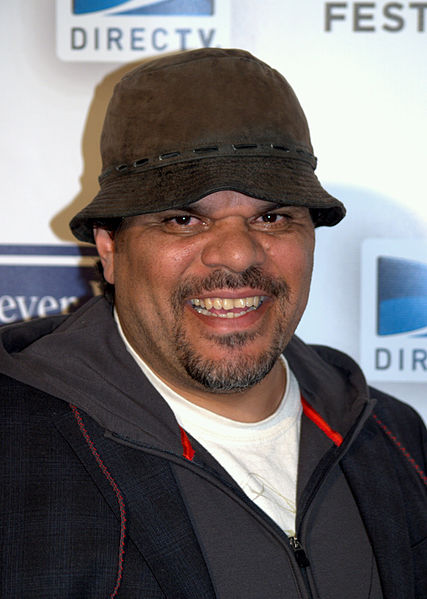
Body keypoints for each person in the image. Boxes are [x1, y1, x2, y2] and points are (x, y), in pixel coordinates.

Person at [0, 48, 425, 599]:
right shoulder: (14, 450)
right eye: (184, 219)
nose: (236, 255)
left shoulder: (396, 439)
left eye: (271, 217)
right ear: (109, 248)